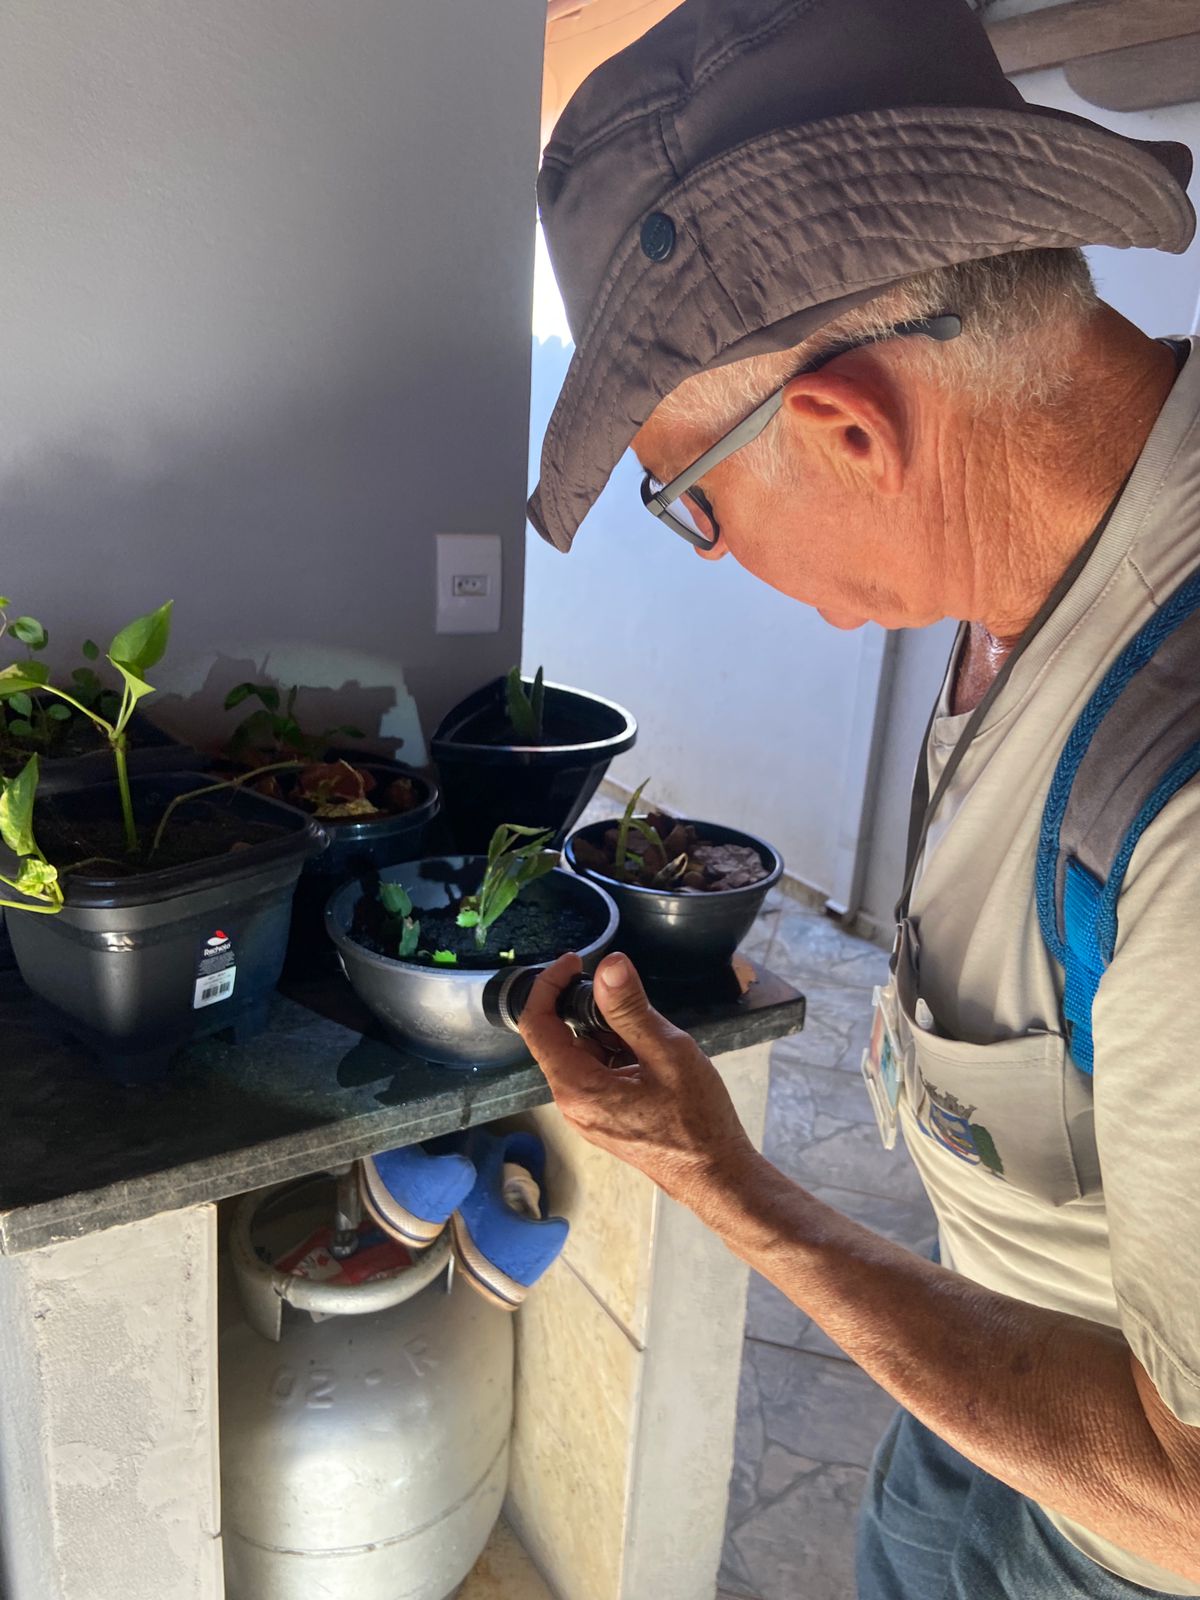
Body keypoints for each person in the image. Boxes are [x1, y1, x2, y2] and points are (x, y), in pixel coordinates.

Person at [519, 1, 1200, 1595]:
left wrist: (728, 1186)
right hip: (980, 1404)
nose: (718, 556)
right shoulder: (1042, 555)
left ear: (841, 427)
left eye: (691, 504)